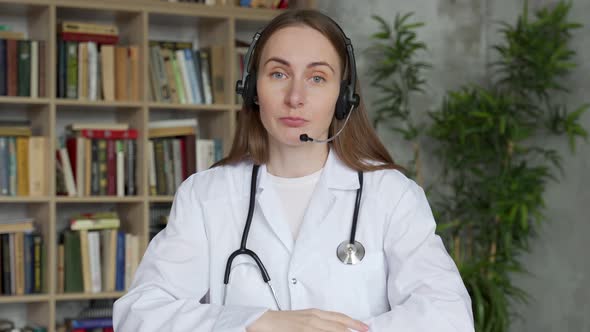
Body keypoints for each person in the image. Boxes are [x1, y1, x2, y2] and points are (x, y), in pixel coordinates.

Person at [113, 9, 474, 332]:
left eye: (317, 78)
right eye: (279, 73)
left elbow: (448, 315)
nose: (295, 97)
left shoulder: (391, 194)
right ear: (253, 89)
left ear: (343, 96)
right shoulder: (205, 196)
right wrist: (256, 323)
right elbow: (141, 315)